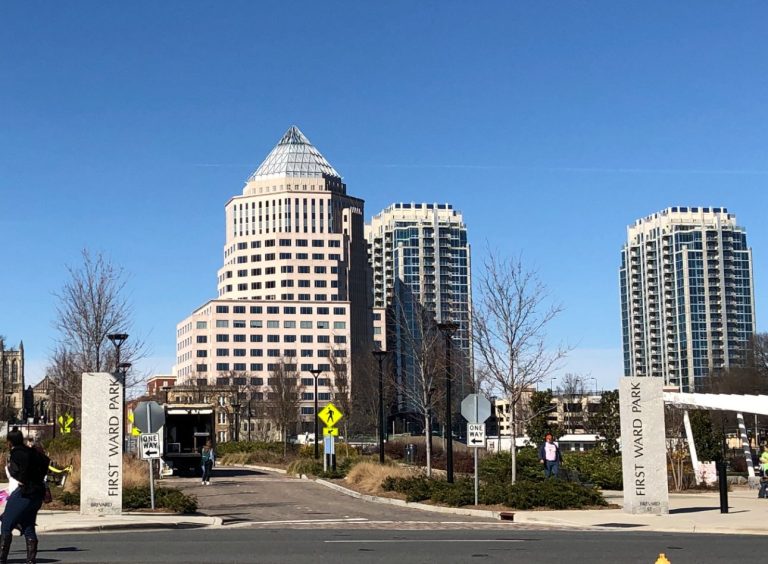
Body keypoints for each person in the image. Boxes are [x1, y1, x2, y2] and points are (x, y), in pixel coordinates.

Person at [1, 429, 50, 564]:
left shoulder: (17, 453)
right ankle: (30, 560)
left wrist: (22, 478)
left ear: (10, 442)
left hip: (25, 492)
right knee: (28, 525)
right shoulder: (32, 451)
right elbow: (46, 461)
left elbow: (16, 472)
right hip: (37, 494)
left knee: (6, 524)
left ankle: (2, 558)